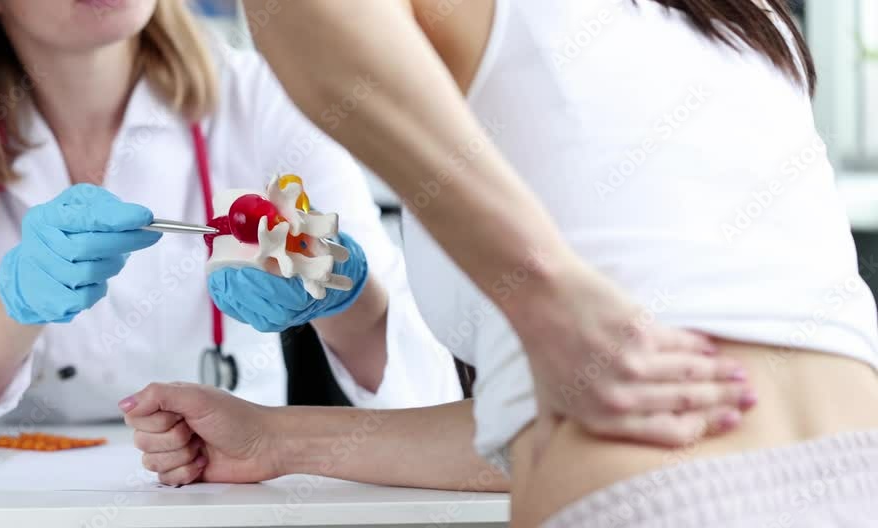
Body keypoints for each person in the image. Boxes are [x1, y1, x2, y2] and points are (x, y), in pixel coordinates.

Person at [122, 0, 878, 526]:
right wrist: (277, 440)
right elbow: (570, 410)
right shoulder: (746, 23)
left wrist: (546, 290)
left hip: (653, 503)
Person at [0, 0, 463, 443]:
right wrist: (12, 301)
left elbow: (430, 400)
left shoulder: (263, 95)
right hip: (5, 498)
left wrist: (342, 294)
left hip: (227, 486)